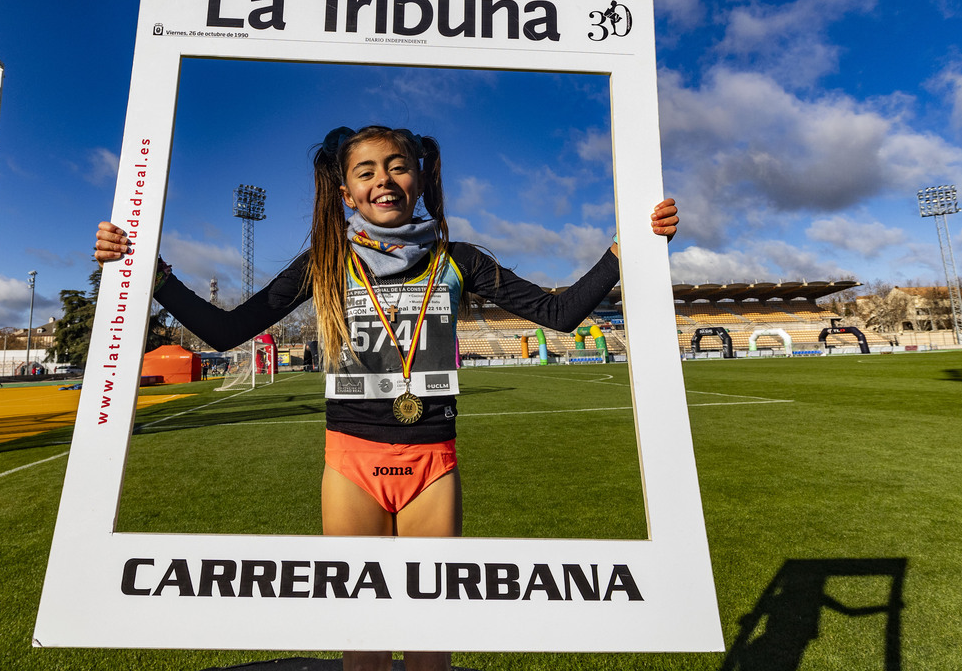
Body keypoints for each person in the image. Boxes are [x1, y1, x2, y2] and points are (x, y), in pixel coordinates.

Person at [94, 125, 679, 671]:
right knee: (365, 648)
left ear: (419, 180)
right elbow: (226, 333)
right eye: (367, 171)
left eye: (398, 167)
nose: (384, 180)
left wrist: (626, 248)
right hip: (350, 464)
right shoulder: (325, 263)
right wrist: (151, 273)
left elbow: (561, 313)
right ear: (346, 192)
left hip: (432, 465)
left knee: (430, 647)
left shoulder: (459, 260)